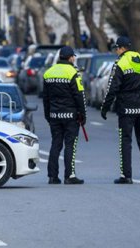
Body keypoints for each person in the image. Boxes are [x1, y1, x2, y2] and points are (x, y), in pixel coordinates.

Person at [100, 36, 140, 184]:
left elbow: (112, 89)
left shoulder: (120, 63)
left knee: (125, 141)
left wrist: (105, 108)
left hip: (126, 108)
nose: (116, 51)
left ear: (120, 48)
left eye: (116, 49)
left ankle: (126, 176)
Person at [42, 46, 87, 185]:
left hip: (54, 115)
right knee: (70, 145)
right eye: (73, 57)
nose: (74, 59)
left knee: (55, 144)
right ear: (70, 57)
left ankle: (52, 176)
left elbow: (45, 98)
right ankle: (69, 176)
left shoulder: (48, 73)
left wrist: (48, 115)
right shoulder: (73, 72)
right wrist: (82, 114)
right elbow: (79, 95)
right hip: (70, 115)